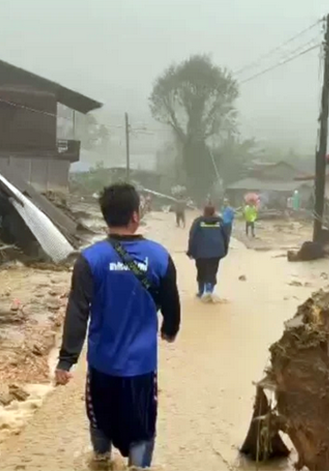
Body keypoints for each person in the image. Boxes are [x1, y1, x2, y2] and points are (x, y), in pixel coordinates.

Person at [55, 183, 180, 469]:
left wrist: (66, 360)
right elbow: (172, 304)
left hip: (102, 365)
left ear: (105, 216)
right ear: (135, 215)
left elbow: (77, 311)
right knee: (142, 426)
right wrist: (170, 330)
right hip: (142, 366)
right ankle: (139, 466)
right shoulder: (160, 256)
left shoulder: (90, 259)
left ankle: (101, 460)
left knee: (100, 419)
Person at [188, 204, 229, 299]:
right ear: (214, 211)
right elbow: (226, 237)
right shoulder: (220, 222)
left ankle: (201, 291)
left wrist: (190, 251)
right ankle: (209, 290)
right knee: (213, 271)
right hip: (216, 252)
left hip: (200, 252)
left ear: (204, 211)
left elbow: (192, 237)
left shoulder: (198, 221)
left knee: (201, 270)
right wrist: (224, 250)